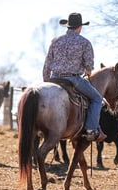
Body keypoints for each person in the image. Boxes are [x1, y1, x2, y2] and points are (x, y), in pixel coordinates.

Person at [42, 12, 107, 142]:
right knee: (97, 98)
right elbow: (88, 66)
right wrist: (87, 72)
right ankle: (90, 130)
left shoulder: (55, 41)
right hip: (73, 79)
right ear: (79, 27)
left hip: (54, 79)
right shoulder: (85, 43)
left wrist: (46, 82)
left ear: (68, 27)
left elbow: (47, 64)